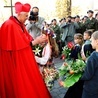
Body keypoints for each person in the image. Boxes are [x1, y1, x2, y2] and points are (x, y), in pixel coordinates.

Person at [0, 2, 51, 98]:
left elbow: (26, 39)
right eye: (26, 15)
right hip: (14, 62)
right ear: (19, 14)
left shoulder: (19, 24)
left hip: (20, 59)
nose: (28, 17)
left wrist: (38, 40)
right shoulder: (10, 25)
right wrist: (36, 41)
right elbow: (19, 46)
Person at [59, 33, 84, 98]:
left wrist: (70, 52)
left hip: (76, 63)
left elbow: (74, 55)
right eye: (74, 39)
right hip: (76, 63)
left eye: (76, 39)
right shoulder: (77, 46)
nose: (75, 40)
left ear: (80, 39)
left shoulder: (78, 47)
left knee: (74, 83)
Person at [81, 31, 98, 98]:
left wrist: (77, 75)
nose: (90, 43)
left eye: (91, 41)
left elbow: (87, 75)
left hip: (92, 89)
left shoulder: (94, 56)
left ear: (97, 41)